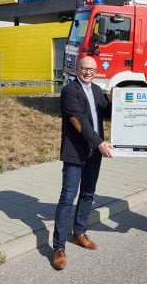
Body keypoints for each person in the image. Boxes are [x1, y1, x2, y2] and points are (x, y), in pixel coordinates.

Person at [52, 56, 114, 270]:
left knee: (88, 193)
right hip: (75, 152)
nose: (88, 72)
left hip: (94, 153)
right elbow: (78, 120)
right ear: (78, 69)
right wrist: (99, 143)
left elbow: (107, 113)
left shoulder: (97, 90)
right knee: (67, 197)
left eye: (92, 69)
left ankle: (79, 232)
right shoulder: (70, 91)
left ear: (96, 71)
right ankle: (58, 247)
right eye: (84, 68)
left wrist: (117, 100)